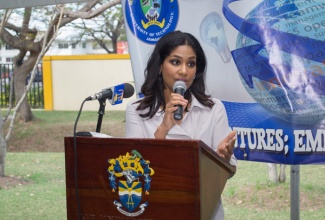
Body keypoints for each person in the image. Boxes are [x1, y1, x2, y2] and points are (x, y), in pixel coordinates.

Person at [125, 30, 237, 219]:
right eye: (175, 62)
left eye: (191, 64)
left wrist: (221, 160)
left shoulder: (213, 108)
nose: (184, 71)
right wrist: (163, 128)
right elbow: (134, 171)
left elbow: (227, 172)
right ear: (160, 66)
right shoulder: (137, 110)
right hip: (156, 209)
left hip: (204, 211)